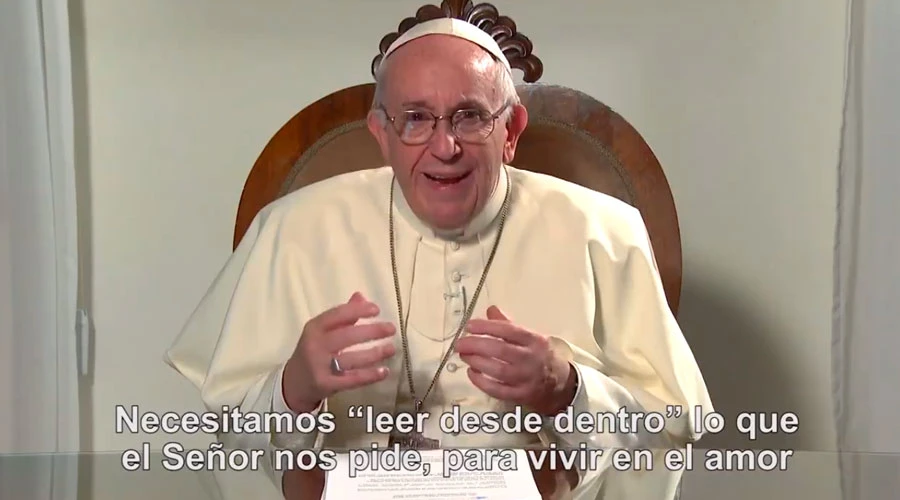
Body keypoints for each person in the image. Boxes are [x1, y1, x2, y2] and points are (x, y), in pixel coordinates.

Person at [165, 17, 713, 464]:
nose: (445, 146)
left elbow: (673, 432)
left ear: (511, 132)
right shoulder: (293, 229)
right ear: (381, 134)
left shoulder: (604, 231)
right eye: (415, 119)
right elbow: (230, 439)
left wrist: (567, 392)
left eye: (470, 117)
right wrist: (295, 388)